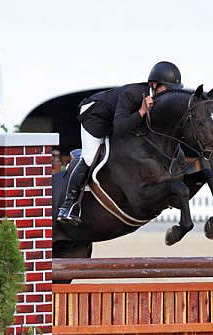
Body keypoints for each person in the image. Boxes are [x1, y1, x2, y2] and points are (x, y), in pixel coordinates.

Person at [57, 61, 183, 226]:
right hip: (94, 116)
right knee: (89, 157)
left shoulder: (156, 101)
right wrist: (141, 112)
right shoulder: (131, 94)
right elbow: (119, 127)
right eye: (168, 89)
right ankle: (67, 206)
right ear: (154, 85)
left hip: (114, 119)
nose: (171, 95)